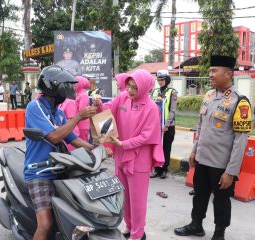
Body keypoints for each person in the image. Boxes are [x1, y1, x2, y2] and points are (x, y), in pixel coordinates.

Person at [24, 65, 112, 240]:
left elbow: (72, 139)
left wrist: (96, 149)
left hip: (62, 169)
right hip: (39, 172)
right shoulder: (35, 107)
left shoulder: (58, 113)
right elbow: (55, 137)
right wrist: (78, 117)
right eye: (66, 86)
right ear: (53, 88)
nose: (69, 90)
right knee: (46, 224)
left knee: (78, 214)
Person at [174, 55, 253, 240]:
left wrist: (231, 171)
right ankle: (196, 225)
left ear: (228, 74)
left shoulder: (239, 102)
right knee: (199, 195)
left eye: (214, 71)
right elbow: (201, 127)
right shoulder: (209, 95)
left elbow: (240, 141)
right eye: (210, 71)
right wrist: (194, 151)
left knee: (221, 200)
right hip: (202, 159)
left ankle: (219, 233)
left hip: (221, 165)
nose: (210, 74)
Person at [93, 69, 165, 240]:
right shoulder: (123, 98)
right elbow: (109, 111)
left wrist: (124, 144)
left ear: (145, 88)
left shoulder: (152, 108)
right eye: (129, 86)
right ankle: (130, 225)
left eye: (135, 88)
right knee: (124, 195)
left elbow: (147, 136)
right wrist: (100, 106)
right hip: (120, 154)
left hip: (139, 159)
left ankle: (138, 233)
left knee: (138, 199)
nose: (130, 90)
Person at [150, 70, 178, 179]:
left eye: (162, 79)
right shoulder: (155, 91)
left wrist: (166, 125)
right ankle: (157, 169)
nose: (160, 81)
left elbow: (172, 110)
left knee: (166, 148)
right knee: (157, 148)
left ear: (167, 80)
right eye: (159, 79)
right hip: (156, 126)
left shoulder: (172, 92)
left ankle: (164, 170)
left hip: (167, 127)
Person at [75, 75, 91, 142]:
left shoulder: (83, 95)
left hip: (82, 125)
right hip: (77, 122)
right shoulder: (78, 94)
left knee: (82, 144)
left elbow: (82, 111)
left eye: (75, 83)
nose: (74, 85)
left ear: (80, 84)